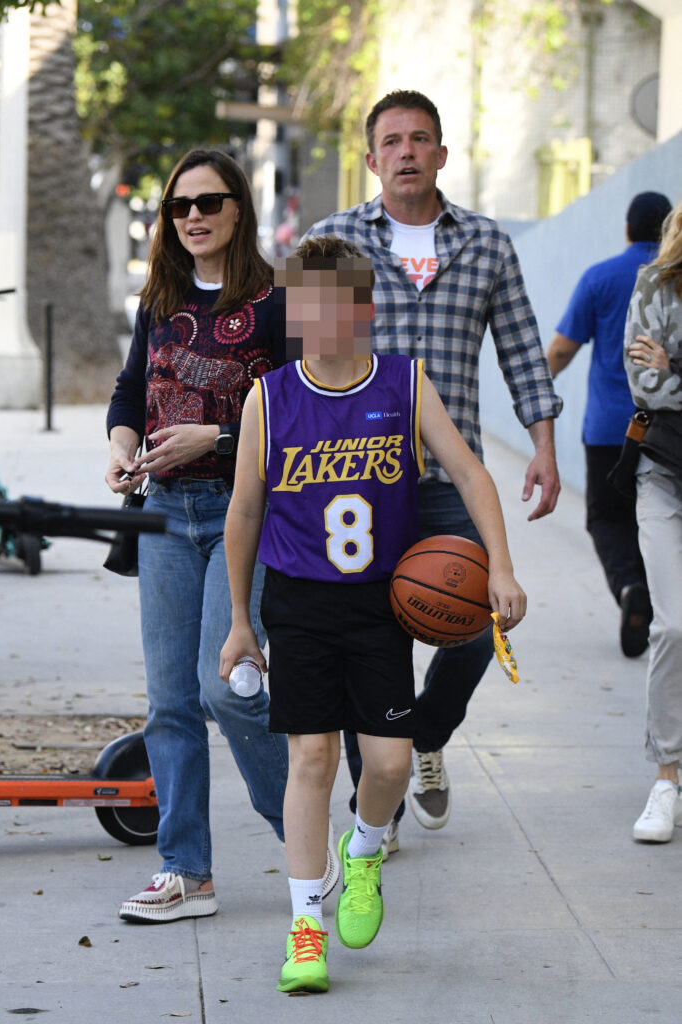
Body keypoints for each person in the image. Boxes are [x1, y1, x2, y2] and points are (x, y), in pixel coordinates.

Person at [218, 235, 526, 993]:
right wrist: (238, 619)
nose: (325, 319)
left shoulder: (404, 383)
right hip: (297, 602)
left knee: (387, 763)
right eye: (309, 306)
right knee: (312, 759)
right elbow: (245, 510)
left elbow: (469, 471)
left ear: (364, 309)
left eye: (340, 304)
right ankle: (304, 929)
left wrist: (502, 567)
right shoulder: (270, 397)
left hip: (380, 602)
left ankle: (361, 850)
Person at [303, 89, 561, 850]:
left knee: (474, 627)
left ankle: (423, 739)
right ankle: (368, 809)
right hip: (357, 479)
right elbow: (298, 359)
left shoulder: (486, 244)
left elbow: (520, 349)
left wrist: (542, 445)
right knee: (365, 643)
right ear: (372, 157)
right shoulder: (333, 239)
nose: (407, 151)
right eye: (392, 140)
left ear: (441, 155)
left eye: (421, 139)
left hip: (449, 480)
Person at [105, 149, 298, 923]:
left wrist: (216, 440)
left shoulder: (289, 295)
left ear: (239, 209)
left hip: (244, 510)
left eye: (209, 202)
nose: (192, 216)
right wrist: (122, 444)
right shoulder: (159, 297)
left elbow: (319, 411)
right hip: (162, 514)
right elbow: (129, 390)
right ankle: (186, 870)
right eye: (179, 205)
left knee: (230, 687)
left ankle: (309, 837)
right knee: (171, 703)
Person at [547, 192, 671, 658]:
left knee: (607, 517)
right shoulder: (673, 279)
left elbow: (561, 350)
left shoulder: (600, 277)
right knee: (662, 517)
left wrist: (535, 393)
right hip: (668, 430)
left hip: (608, 429)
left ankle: (629, 586)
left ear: (626, 230)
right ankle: (658, 601)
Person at [624, 199, 682, 844]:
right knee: (673, 624)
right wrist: (662, 371)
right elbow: (644, 383)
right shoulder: (656, 283)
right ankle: (665, 777)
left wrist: (677, 365)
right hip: (664, 469)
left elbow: (667, 374)